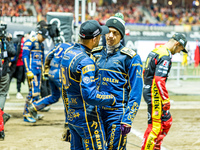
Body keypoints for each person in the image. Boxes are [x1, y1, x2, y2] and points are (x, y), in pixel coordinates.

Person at [61, 20, 116, 149]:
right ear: (95, 39)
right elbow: (90, 96)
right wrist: (111, 98)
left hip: (72, 115)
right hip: (88, 118)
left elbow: (64, 90)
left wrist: (67, 119)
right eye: (100, 36)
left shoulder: (67, 54)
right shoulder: (87, 62)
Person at [92, 13, 143, 149]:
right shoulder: (95, 54)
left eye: (115, 33)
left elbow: (136, 91)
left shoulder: (130, 58)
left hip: (116, 114)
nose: (110, 36)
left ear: (121, 36)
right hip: (95, 112)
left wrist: (128, 118)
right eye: (108, 31)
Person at [141, 33, 188, 150]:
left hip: (150, 91)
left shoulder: (156, 51)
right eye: (180, 49)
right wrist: (165, 99)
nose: (178, 52)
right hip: (154, 94)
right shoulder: (165, 55)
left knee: (166, 121)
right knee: (155, 127)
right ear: (177, 44)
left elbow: (145, 72)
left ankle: (155, 147)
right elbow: (159, 80)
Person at [27, 42, 74, 123]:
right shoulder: (74, 48)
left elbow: (49, 55)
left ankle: (35, 106)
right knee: (69, 97)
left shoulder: (60, 45)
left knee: (55, 96)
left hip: (52, 72)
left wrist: (46, 69)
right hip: (61, 74)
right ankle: (68, 121)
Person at [22, 28, 49, 123]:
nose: (44, 39)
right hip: (32, 72)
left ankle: (33, 112)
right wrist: (28, 70)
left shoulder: (41, 44)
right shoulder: (30, 42)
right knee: (32, 93)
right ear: (39, 34)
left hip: (38, 71)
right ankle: (26, 114)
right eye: (43, 37)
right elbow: (25, 56)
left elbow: (42, 58)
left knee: (37, 93)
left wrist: (44, 71)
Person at [0, 25, 16, 140]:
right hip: (3, 73)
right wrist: (8, 41)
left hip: (3, 72)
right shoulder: (4, 42)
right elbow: (12, 52)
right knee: (2, 94)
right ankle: (1, 114)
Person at [8, 34, 26, 99]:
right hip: (14, 63)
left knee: (19, 79)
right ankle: (7, 92)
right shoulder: (17, 42)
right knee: (9, 77)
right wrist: (10, 61)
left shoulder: (25, 43)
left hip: (20, 64)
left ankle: (18, 92)